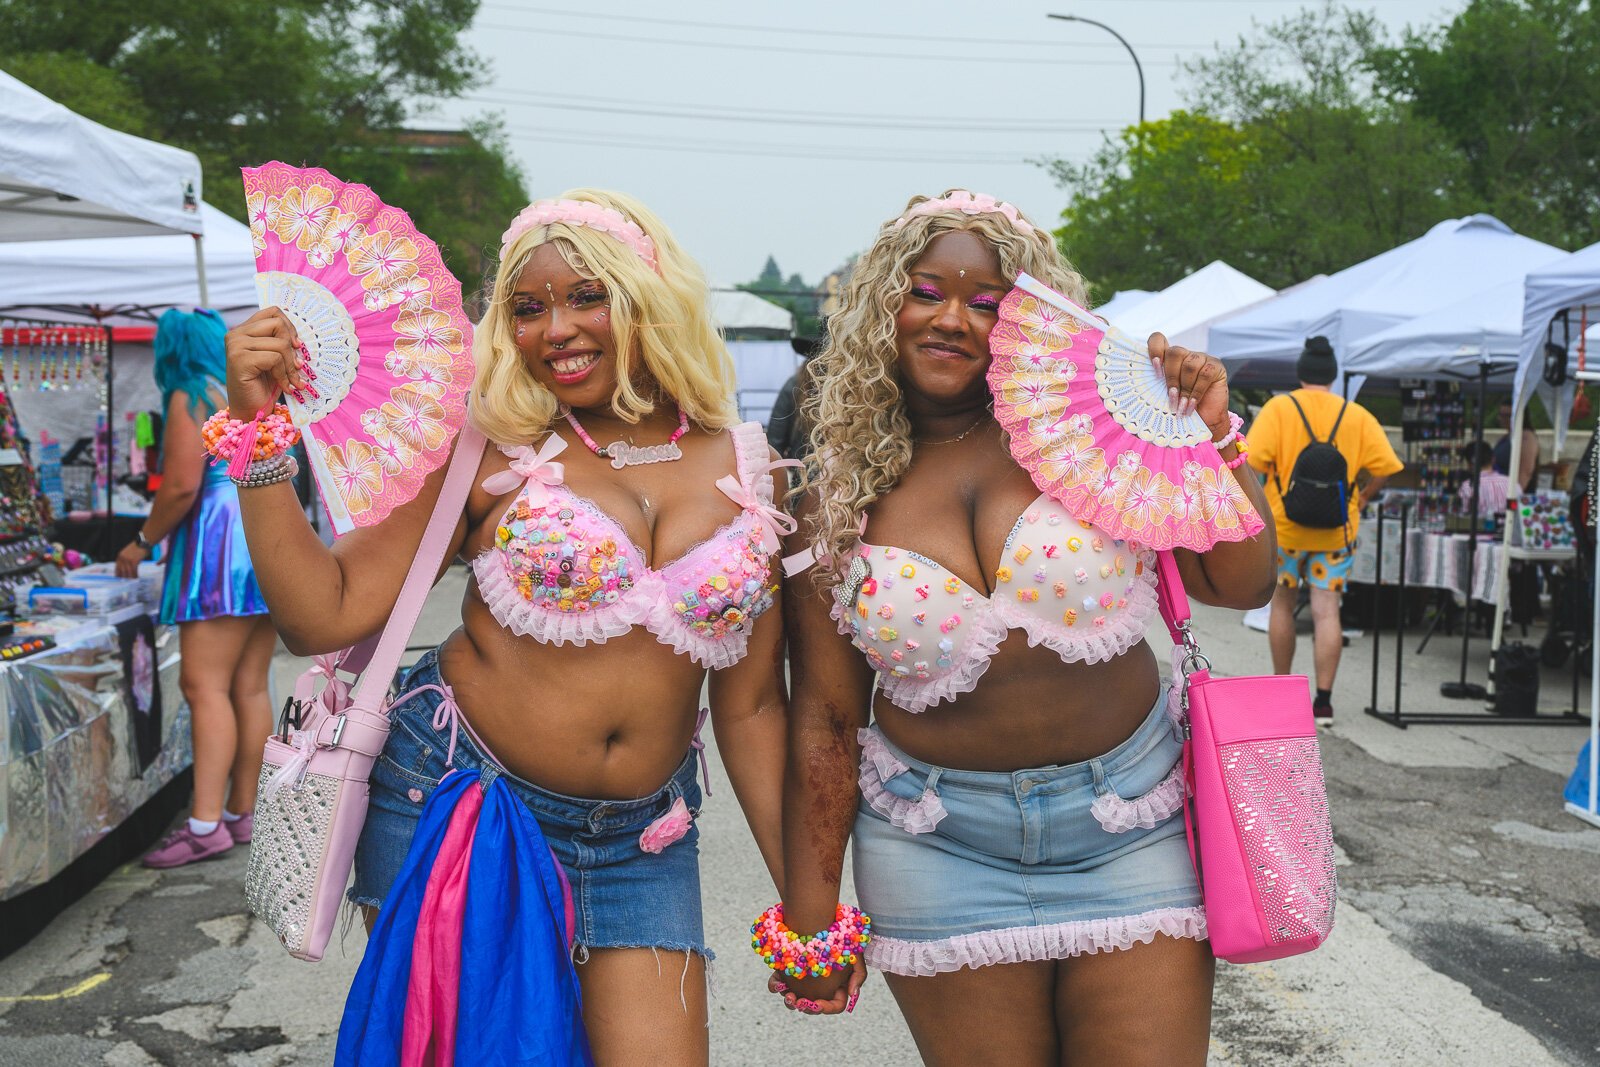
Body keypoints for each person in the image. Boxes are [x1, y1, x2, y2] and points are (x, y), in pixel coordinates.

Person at [223, 190, 787, 1064]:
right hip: (467, 806)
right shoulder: (483, 449)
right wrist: (260, 435)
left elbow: (751, 711)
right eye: (527, 308)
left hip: (646, 837)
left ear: (649, 297)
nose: (555, 327)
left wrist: (806, 904)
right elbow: (320, 613)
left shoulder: (744, 463)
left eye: (586, 296)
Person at [776, 191, 1275, 1064]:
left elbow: (1241, 579)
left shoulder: (1099, 441)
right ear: (881, 306)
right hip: (937, 846)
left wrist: (1212, 435)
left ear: (1031, 321)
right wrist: (811, 918)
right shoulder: (832, 499)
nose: (952, 320)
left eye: (987, 301)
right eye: (925, 290)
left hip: (1133, 828)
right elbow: (825, 714)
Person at [120, 308, 278, 869]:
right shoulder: (232, 389)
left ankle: (204, 823)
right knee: (249, 686)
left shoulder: (188, 393)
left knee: (203, 685)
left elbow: (183, 483)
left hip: (217, 539)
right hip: (261, 531)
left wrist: (141, 541)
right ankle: (242, 811)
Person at [1247, 336, 1403, 719]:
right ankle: (1323, 702)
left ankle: (1282, 689)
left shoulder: (1279, 409)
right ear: (1334, 376)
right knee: (1327, 612)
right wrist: (1362, 497)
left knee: (1282, 606)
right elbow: (1386, 468)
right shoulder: (1356, 415)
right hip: (1336, 532)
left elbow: (1252, 463)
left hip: (1284, 530)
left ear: (1300, 373)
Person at [764, 326, 821, 462]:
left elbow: (776, 437)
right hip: (803, 469)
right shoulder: (794, 385)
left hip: (808, 469)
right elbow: (775, 437)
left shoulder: (846, 388)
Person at [1459, 439, 1511, 522]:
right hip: (1507, 533)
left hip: (1480, 532)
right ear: (1493, 459)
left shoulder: (1467, 486)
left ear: (1469, 464)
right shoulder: (1511, 484)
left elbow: (1464, 517)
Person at [1493, 401, 1539, 492]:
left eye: (1507, 416)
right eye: (1501, 415)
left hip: (1516, 497)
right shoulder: (1508, 436)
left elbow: (1526, 471)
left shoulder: (1526, 437)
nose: (1502, 419)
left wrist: (1514, 495)